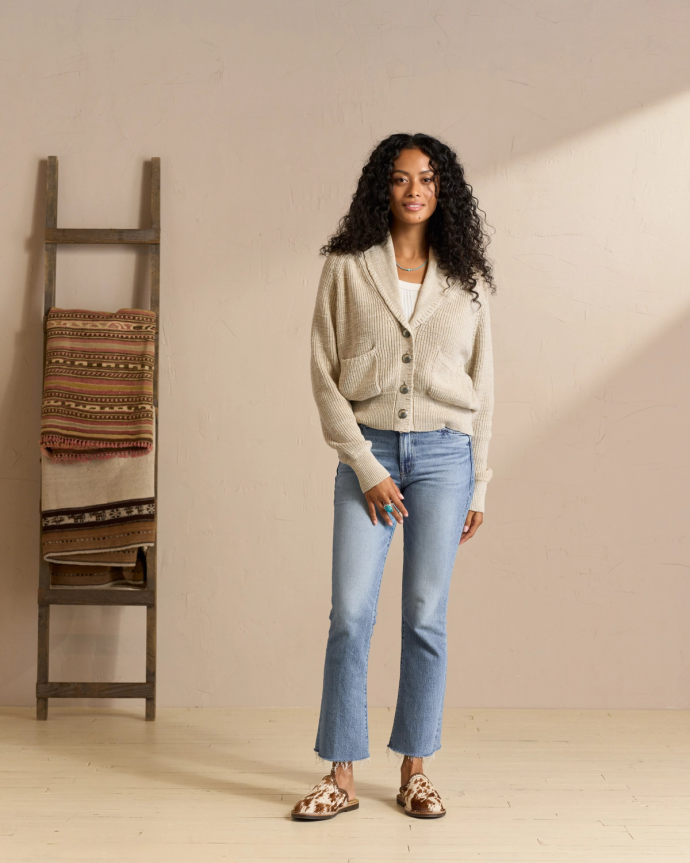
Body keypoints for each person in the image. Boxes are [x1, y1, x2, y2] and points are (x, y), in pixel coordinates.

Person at [291, 133, 496, 821]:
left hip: (445, 457)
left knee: (425, 617)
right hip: (367, 453)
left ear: (444, 192)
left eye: (429, 179)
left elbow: (483, 383)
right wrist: (367, 465)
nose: (415, 189)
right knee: (350, 614)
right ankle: (341, 774)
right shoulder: (348, 267)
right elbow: (324, 376)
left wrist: (481, 480)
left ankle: (416, 768)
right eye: (403, 177)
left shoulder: (464, 277)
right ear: (383, 186)